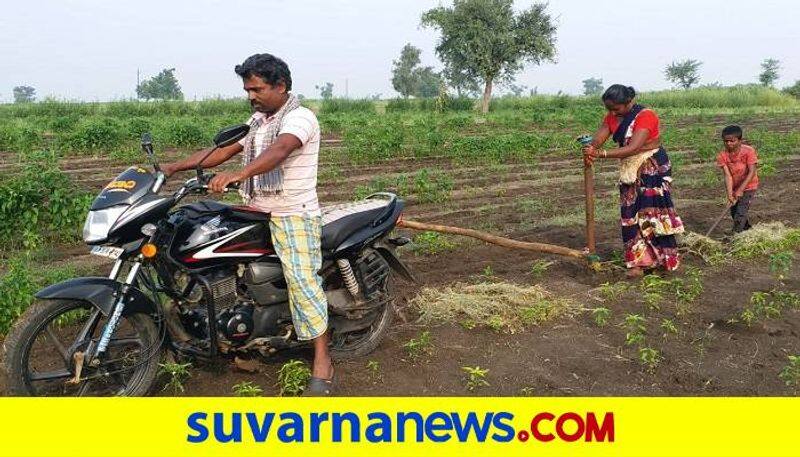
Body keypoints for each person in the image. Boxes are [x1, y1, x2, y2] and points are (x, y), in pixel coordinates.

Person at [161, 53, 334, 395]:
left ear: (280, 86)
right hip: (256, 208)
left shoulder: (300, 118)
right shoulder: (259, 122)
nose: (250, 96)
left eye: (256, 89)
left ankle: (323, 362)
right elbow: (221, 153)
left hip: (292, 213)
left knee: (302, 281)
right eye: (247, 90)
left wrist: (240, 174)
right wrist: (171, 168)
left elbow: (282, 150)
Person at [583, 84, 684, 278]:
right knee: (630, 215)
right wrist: (589, 147)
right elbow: (599, 138)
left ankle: (663, 259)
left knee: (652, 213)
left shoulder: (646, 116)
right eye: (609, 109)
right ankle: (638, 263)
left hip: (650, 166)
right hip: (630, 168)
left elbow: (634, 147)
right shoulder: (612, 117)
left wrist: (600, 153)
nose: (613, 113)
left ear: (629, 102)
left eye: (616, 108)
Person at [716, 125, 759, 233]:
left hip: (749, 185)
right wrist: (730, 194)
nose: (728, 144)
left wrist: (741, 190)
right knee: (734, 212)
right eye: (726, 141)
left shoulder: (748, 151)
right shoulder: (722, 155)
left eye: (732, 141)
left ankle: (735, 235)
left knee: (741, 211)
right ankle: (747, 230)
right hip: (735, 186)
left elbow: (752, 171)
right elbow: (728, 176)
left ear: (740, 140)